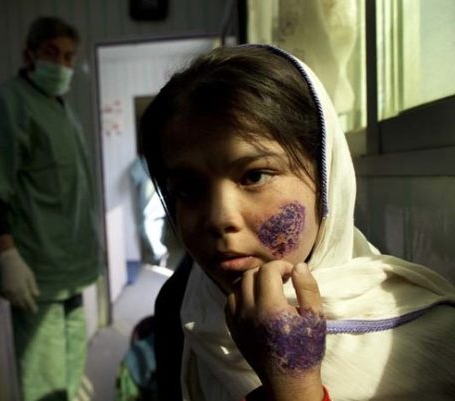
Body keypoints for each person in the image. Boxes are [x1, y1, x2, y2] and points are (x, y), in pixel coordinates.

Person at [140, 45, 455, 401]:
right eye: (188, 189)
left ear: (326, 177)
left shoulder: (428, 338)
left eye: (255, 176)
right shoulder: (182, 305)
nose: (219, 218)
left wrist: (293, 384)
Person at [0, 16, 102, 401]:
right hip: (38, 270)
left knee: (71, 372)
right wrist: (7, 253)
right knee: (44, 383)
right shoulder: (7, 103)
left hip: (74, 268)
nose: (61, 64)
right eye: (51, 53)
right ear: (29, 54)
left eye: (68, 56)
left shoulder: (61, 109)